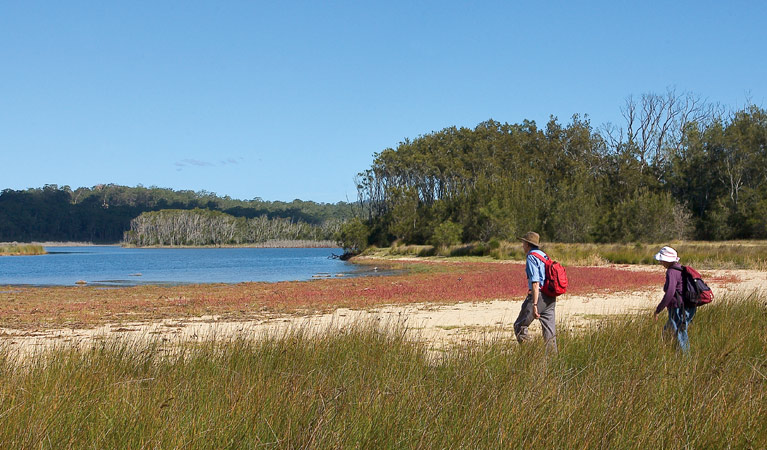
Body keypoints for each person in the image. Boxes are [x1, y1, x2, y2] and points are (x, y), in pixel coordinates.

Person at [513, 231, 557, 352]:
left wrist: (535, 304)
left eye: (523, 242)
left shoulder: (531, 257)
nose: (522, 245)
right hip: (550, 296)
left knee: (519, 326)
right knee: (549, 333)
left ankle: (532, 354)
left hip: (539, 296)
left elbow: (535, 282)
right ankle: (553, 361)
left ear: (527, 244)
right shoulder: (544, 255)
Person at [653, 246, 696, 353]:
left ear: (667, 260)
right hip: (687, 307)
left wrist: (658, 310)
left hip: (678, 308)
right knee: (668, 332)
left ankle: (686, 362)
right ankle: (673, 355)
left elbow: (670, 292)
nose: (660, 262)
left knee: (680, 334)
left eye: (661, 260)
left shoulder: (671, 272)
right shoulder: (680, 269)